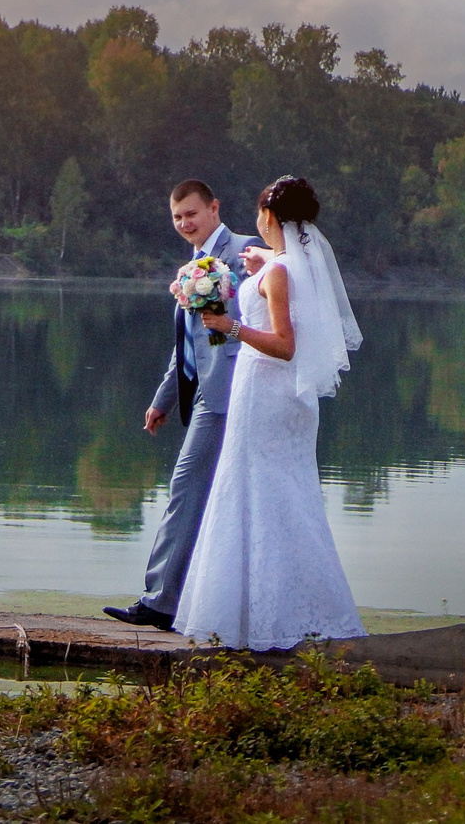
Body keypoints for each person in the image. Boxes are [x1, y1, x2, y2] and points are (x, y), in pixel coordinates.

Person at [171, 174, 367, 650]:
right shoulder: (290, 266)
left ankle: (251, 617)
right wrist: (261, 264)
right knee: (283, 494)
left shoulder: (280, 272)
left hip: (264, 393)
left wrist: (230, 327)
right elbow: (283, 291)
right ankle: (281, 611)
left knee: (256, 490)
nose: (257, 220)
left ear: (270, 217)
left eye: (261, 212)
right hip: (281, 398)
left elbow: (284, 344)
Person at [103, 179, 260, 630]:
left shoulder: (244, 252)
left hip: (233, 393)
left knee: (186, 489)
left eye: (191, 213)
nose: (185, 223)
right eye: (177, 217)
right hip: (205, 393)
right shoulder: (194, 266)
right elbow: (190, 343)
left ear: (214, 208)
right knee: (207, 496)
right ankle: (193, 600)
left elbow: (259, 319)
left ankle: (160, 602)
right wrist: (164, 400)